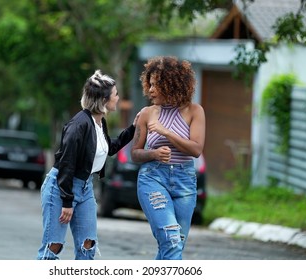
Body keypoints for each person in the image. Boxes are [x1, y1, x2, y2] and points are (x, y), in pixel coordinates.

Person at [37, 70, 139, 260]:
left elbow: (108, 148)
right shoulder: (79, 125)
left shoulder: (99, 122)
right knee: (53, 247)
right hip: (61, 187)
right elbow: (67, 163)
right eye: (116, 94)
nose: (118, 98)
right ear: (104, 99)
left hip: (85, 187)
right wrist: (67, 201)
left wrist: (134, 128)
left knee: (88, 245)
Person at [131, 56, 206, 260]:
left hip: (185, 182)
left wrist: (167, 133)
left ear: (171, 84)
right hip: (153, 178)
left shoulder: (195, 111)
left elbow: (196, 149)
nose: (151, 90)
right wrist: (154, 153)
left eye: (157, 85)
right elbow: (135, 153)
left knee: (174, 244)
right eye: (151, 84)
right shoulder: (147, 113)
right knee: (172, 238)